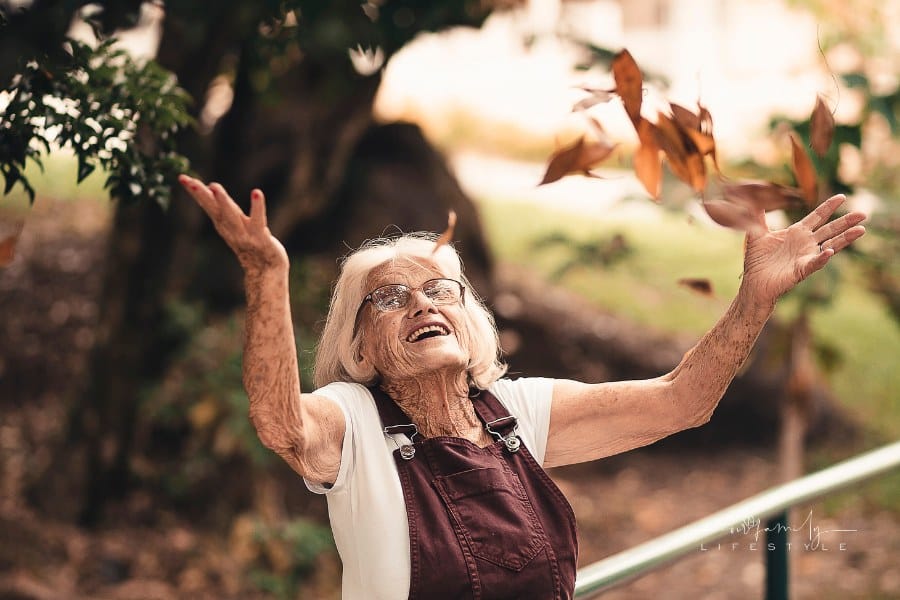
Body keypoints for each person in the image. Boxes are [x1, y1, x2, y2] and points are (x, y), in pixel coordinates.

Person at [178, 174, 866, 599]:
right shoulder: (352, 420)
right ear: (359, 345)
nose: (423, 305)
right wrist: (266, 278)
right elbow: (280, 425)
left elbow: (682, 402)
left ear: (468, 316)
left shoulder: (517, 410)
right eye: (390, 299)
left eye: (438, 289)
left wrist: (756, 298)